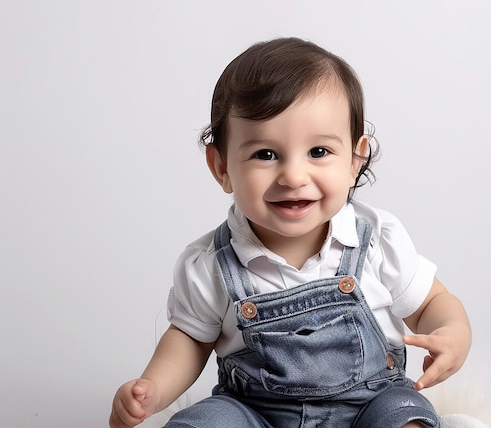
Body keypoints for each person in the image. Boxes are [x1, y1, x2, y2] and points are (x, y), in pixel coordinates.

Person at [109, 37, 472, 428]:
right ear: (221, 167)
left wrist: (452, 332)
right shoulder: (212, 264)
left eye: (318, 152)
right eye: (265, 154)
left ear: (355, 159)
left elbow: (430, 301)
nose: (293, 177)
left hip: (370, 406)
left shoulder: (376, 242)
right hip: (257, 413)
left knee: (403, 418)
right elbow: (190, 341)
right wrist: (153, 388)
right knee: (207, 423)